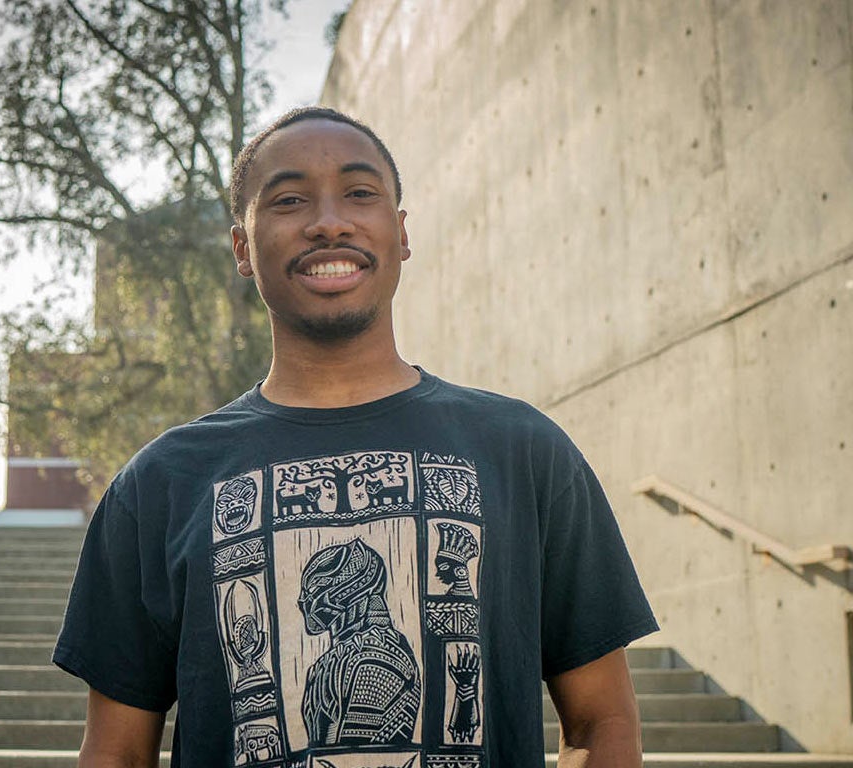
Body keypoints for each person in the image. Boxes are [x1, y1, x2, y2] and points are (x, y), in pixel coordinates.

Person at [53, 106, 658, 768]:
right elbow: (116, 752)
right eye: (288, 201)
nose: (328, 221)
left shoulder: (524, 451)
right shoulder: (162, 483)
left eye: (360, 193)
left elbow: (603, 722)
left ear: (400, 234)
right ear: (242, 249)